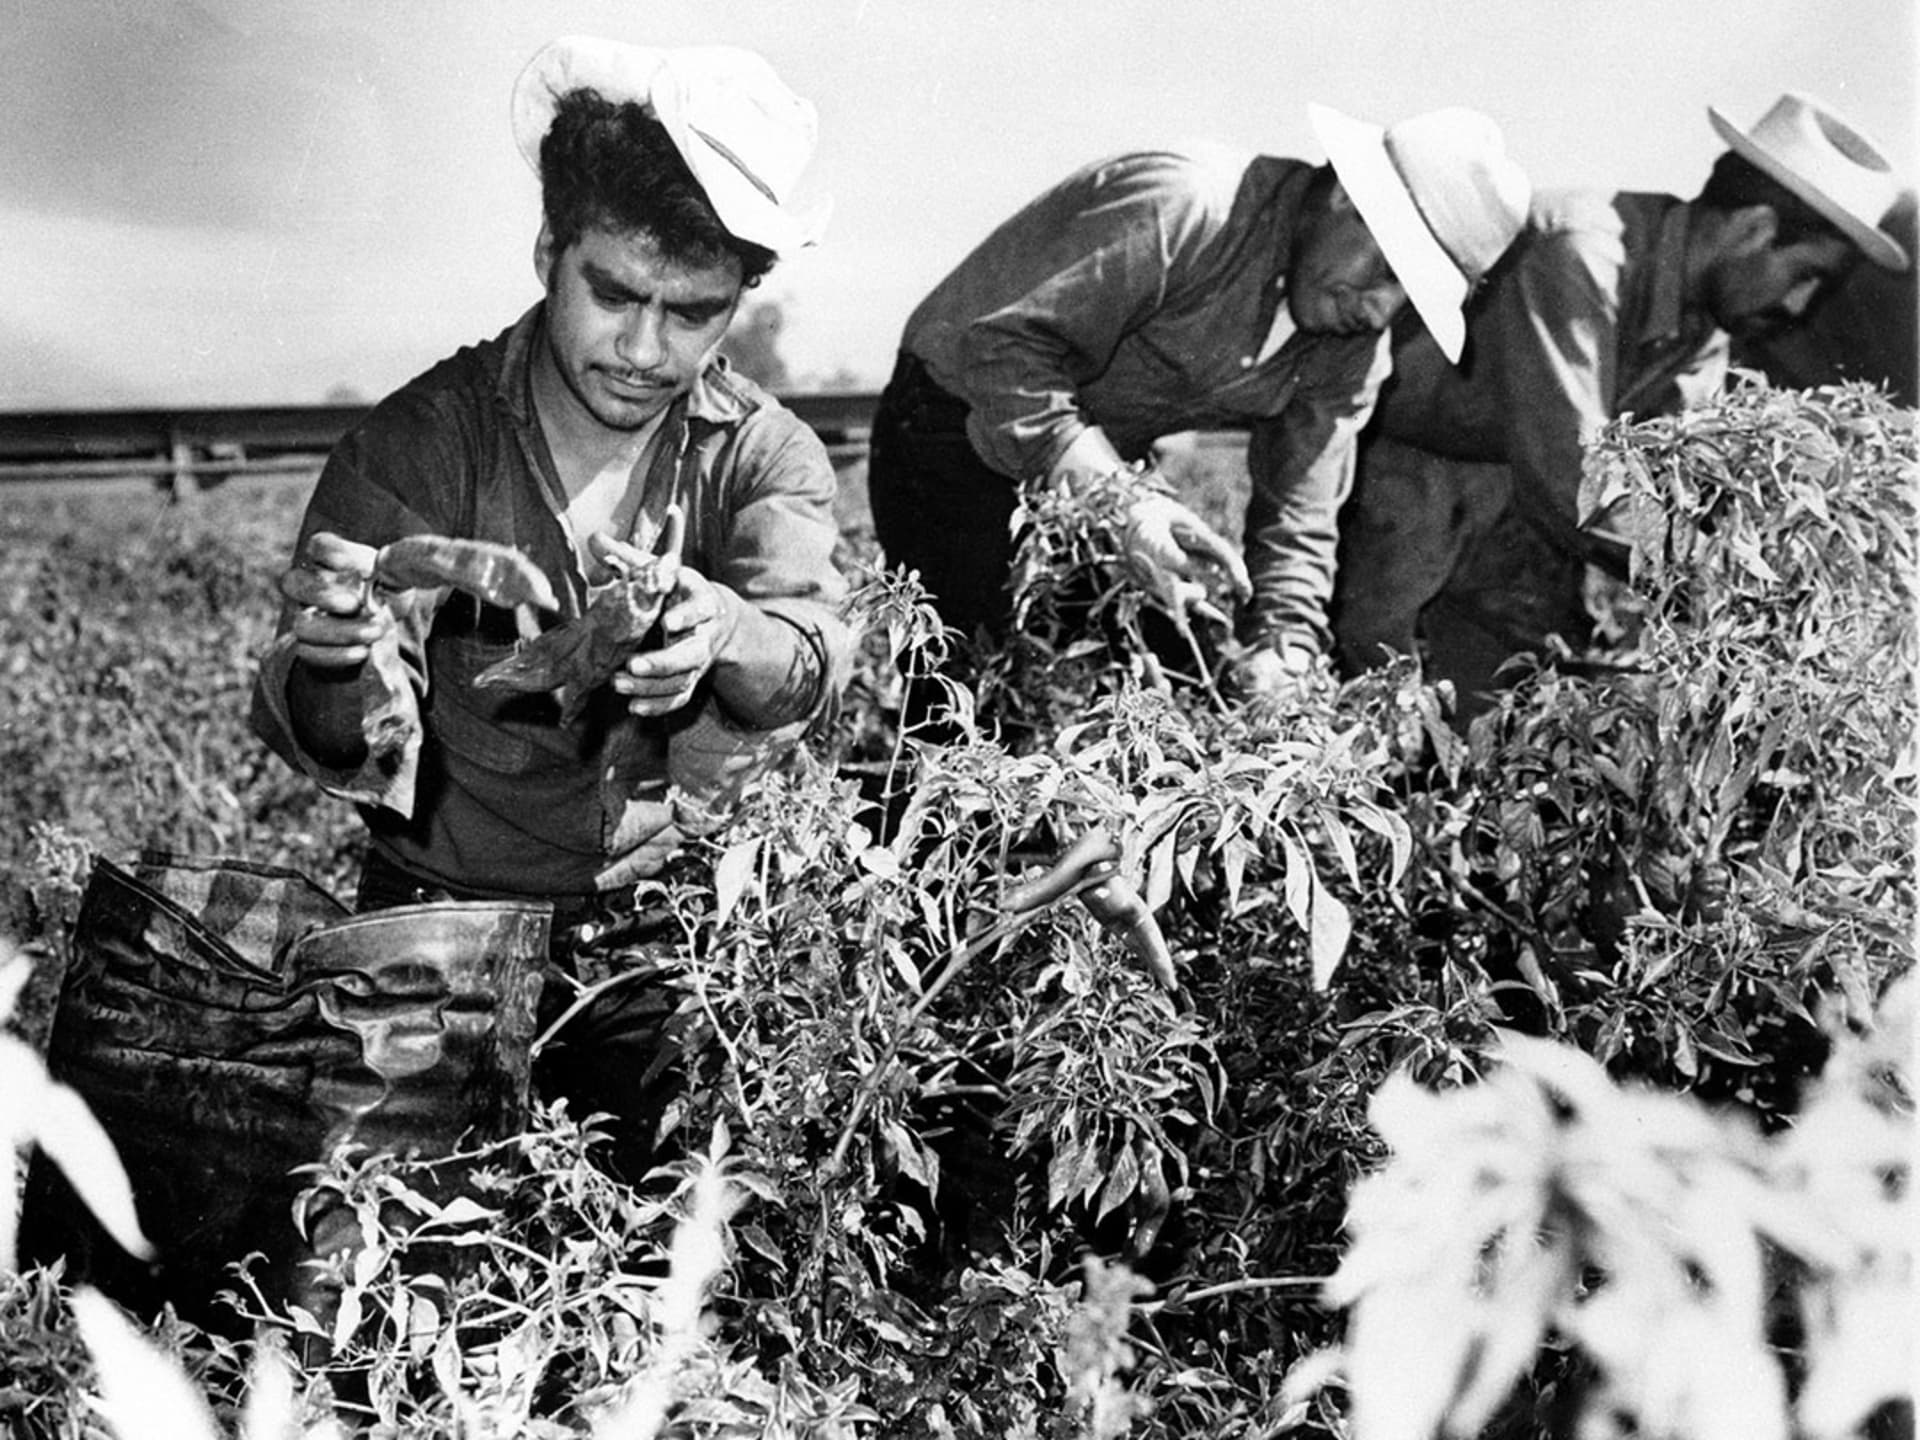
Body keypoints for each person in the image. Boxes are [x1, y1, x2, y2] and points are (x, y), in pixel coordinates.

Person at [250, 37, 851, 1173]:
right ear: (548, 253)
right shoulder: (422, 440)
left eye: (692, 313)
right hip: (435, 915)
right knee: (381, 1257)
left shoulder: (765, 455)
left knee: (674, 1251)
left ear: (740, 300)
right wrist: (336, 660)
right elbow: (332, 743)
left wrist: (722, 630)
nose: (642, 347)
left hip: (654, 930)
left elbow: (811, 657)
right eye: (614, 294)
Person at [866, 103, 1532, 709]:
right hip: (952, 425)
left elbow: (1302, 508)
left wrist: (1285, 645)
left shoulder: (1351, 344)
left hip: (1089, 473)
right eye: (1386, 272)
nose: (1378, 310)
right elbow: (1003, 354)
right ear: (1342, 199)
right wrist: (1124, 502)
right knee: (976, 706)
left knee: (1178, 696)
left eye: (1407, 301)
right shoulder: (1189, 205)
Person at [1329, 93, 1911, 718]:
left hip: (1508, 496)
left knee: (1516, 715)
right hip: (1402, 475)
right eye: (1805, 276)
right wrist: (1728, 585)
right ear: (1752, 228)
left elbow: (1674, 486)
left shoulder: (1707, 329)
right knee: (1377, 714)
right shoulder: (1581, 252)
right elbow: (1570, 480)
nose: (1798, 306)